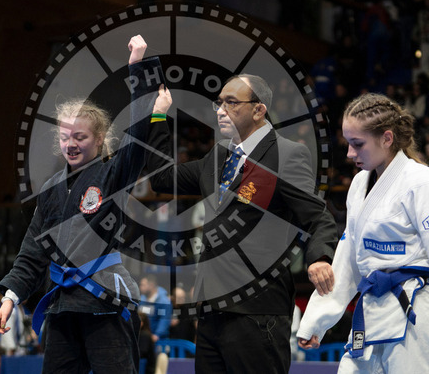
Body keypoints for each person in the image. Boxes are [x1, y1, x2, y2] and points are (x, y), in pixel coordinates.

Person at [145, 66, 338, 373]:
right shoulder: (218, 155)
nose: (221, 110)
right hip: (211, 310)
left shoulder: (286, 155)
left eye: (232, 103)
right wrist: (158, 115)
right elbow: (162, 178)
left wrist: (320, 258)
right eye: (219, 102)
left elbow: (319, 218)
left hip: (258, 312)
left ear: (259, 110)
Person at [0, 35, 160, 373]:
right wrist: (10, 298)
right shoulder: (51, 189)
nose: (71, 144)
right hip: (62, 305)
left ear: (99, 140)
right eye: (65, 137)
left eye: (80, 137)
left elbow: (139, 138)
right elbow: (33, 251)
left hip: (105, 301)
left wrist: (138, 68)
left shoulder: (113, 173)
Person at [297, 93, 429, 372]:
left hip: (417, 313)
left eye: (358, 144)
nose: (350, 154)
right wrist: (317, 319)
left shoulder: (422, 182)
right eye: (348, 144)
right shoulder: (359, 185)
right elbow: (348, 260)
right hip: (372, 311)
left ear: (387, 138)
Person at [139, 275, 171, 342]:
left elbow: (164, 319)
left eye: (143, 285)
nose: (140, 287)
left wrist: (157, 335)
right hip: (144, 337)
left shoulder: (164, 301)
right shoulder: (142, 299)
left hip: (159, 339)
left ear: (151, 285)